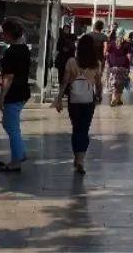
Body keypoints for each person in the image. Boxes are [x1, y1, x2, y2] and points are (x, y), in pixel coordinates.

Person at [54, 34, 100, 175]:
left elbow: (65, 82)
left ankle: (76, 158)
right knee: (84, 130)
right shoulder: (96, 63)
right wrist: (99, 95)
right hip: (88, 100)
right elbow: (98, 83)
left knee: (76, 129)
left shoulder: (71, 62)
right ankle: (81, 159)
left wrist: (59, 100)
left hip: (74, 100)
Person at [0, 19, 30, 173]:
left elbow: (9, 77)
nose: (2, 35)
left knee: (12, 127)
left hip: (13, 94)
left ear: (9, 34)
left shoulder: (11, 52)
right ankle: (19, 153)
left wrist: (1, 97)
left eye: (4, 32)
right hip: (23, 92)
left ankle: (17, 159)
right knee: (8, 124)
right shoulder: (24, 49)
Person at [105, 31, 131, 107]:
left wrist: (109, 63)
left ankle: (116, 99)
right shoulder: (126, 44)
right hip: (122, 67)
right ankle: (116, 99)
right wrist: (129, 66)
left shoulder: (113, 44)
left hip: (115, 67)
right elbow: (129, 56)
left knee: (114, 83)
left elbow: (107, 54)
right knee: (120, 83)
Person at [88, 20, 108, 99]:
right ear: (102, 27)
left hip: (89, 60)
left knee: (90, 78)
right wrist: (104, 58)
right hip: (99, 60)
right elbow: (105, 48)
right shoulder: (104, 36)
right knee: (98, 79)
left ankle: (90, 94)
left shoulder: (89, 35)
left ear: (94, 27)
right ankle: (98, 95)